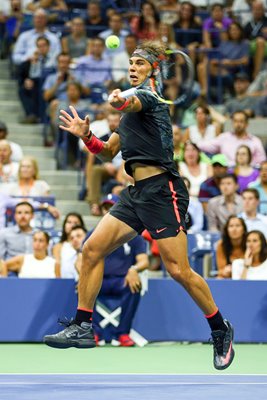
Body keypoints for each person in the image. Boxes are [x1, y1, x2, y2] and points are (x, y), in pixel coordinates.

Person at [43, 40, 235, 370]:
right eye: (131, 62)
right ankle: (83, 325)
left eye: (140, 63)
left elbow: (131, 101)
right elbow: (106, 152)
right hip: (135, 193)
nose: (133, 66)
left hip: (164, 192)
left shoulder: (150, 97)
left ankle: (220, 328)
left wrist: (118, 99)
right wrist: (86, 135)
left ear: (153, 70)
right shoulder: (129, 117)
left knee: (179, 271)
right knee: (91, 250)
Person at [80, 194, 149, 346]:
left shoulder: (134, 236)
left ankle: (123, 333)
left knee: (135, 287)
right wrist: (83, 275)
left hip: (122, 280)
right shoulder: (93, 234)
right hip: (100, 281)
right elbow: (81, 260)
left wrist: (134, 269)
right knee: (82, 288)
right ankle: (94, 331)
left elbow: (144, 260)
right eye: (105, 208)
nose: (108, 211)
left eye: (112, 208)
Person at [197, 110, 266, 167]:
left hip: (248, 173)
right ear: (232, 123)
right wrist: (192, 145)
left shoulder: (255, 141)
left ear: (247, 124)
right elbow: (204, 146)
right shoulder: (224, 137)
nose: (238, 124)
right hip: (227, 174)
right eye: (235, 121)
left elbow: (262, 162)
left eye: (241, 121)